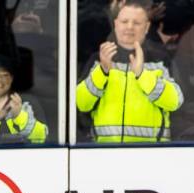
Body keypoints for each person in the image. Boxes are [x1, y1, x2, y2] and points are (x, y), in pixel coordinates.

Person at [75, 0, 184, 143]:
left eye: (137, 23)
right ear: (116, 25)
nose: (130, 27)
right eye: (124, 21)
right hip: (104, 153)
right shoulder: (99, 59)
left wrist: (142, 75)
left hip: (151, 153)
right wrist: (102, 71)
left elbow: (175, 102)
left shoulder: (160, 59)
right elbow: (81, 104)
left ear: (147, 27)